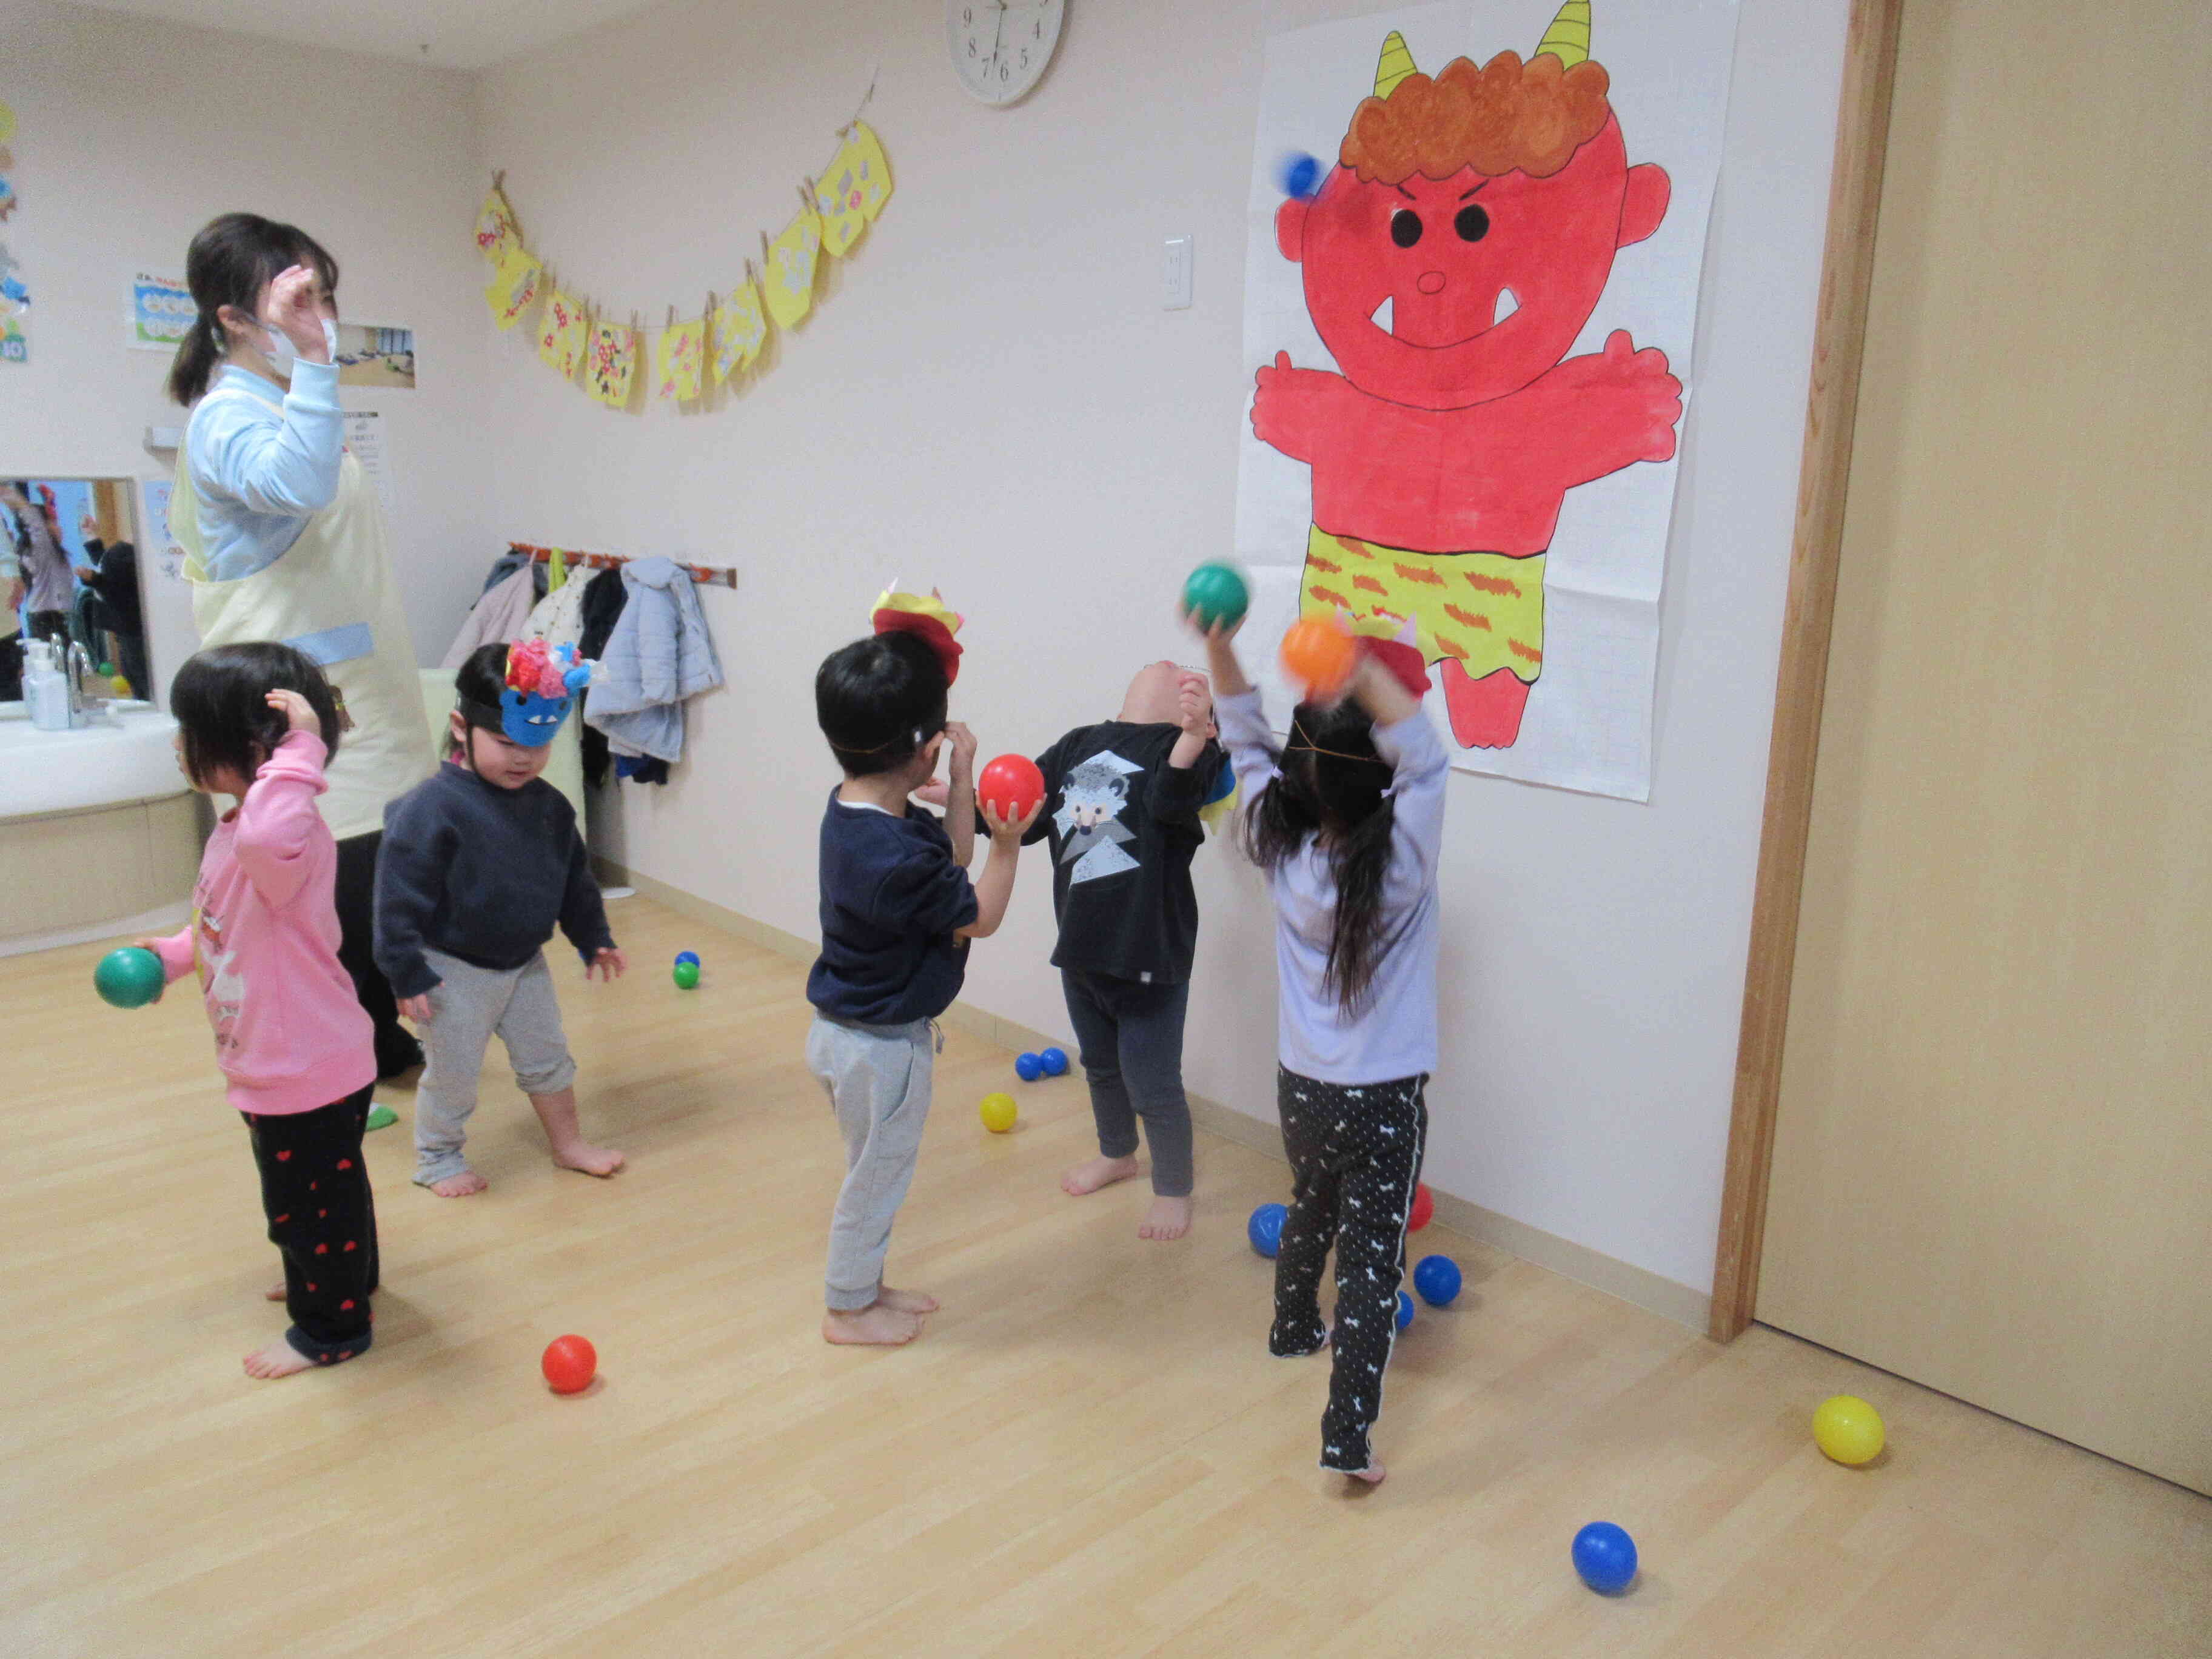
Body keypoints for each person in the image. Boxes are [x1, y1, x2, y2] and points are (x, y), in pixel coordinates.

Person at [166, 212, 433, 1080]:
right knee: (327, 901)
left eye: (323, 296)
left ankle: (377, 1041)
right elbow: (296, 483)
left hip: (357, 697)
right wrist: (320, 358)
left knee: (372, 891)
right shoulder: (225, 420)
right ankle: (327, 1066)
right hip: (292, 712)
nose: (318, 315)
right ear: (235, 321)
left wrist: (312, 366)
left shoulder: (283, 403)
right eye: (296, 299)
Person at [1196, 612, 1447, 1486]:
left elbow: (1243, 737)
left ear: (1300, 775)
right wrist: (1357, 661)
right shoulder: (1404, 862)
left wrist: (1222, 646)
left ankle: (1292, 1324)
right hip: (1382, 1097)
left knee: (1310, 1200)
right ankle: (1347, 1437)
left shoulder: (1283, 848)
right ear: (1379, 783)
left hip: (1302, 1086)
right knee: (1373, 1269)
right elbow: (1427, 754)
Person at [139, 642, 380, 1379]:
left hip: (299, 1064)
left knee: (305, 1206)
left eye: (191, 731)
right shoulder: (241, 828)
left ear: (250, 750)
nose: (179, 745)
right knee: (330, 1188)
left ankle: (330, 1326)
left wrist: (302, 748)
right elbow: (231, 922)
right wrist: (181, 956)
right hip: (288, 1056)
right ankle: (339, 1277)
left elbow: (274, 832)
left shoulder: (281, 835)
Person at [806, 622, 1038, 1347]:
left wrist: (962, 787)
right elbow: (980, 913)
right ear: (923, 745)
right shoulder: (895, 858)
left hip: (849, 1034)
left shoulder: (860, 813)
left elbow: (951, 857)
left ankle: (866, 1285)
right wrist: (1010, 844)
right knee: (875, 1182)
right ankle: (847, 1309)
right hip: (881, 1050)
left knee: (871, 1170)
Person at [373, 642, 628, 1197]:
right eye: (507, 743)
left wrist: (594, 939)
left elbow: (574, 883)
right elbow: (395, 903)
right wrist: (406, 973)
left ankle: (568, 1145)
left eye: (537, 747)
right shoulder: (430, 809)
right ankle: (438, 1157)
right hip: (450, 970)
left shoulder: (551, 806)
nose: (523, 759)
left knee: (549, 1058)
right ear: (461, 727)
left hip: (524, 963)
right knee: (455, 1074)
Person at [1022, 661, 1222, 1241]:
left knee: (1154, 1084)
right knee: (1100, 1066)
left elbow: (1169, 801)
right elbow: (1025, 810)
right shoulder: (1079, 744)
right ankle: (1117, 1154)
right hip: (1081, 947)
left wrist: (1191, 736)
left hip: (1148, 954)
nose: (1170, 666)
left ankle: (1173, 1188)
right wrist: (963, 796)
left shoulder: (1187, 750)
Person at [75, 512, 147, 699]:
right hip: (127, 627)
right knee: (135, 676)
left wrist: (94, 580)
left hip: (131, 627)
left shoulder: (126, 556)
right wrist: (92, 535)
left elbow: (114, 590)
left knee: (140, 679)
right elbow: (103, 563)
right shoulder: (122, 554)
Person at [5, 480, 73, 644]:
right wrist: (14, 498)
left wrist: (50, 501)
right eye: (52, 524)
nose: (58, 528)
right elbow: (35, 524)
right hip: (45, 621)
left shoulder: (54, 554)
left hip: (58, 618)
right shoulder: (38, 552)